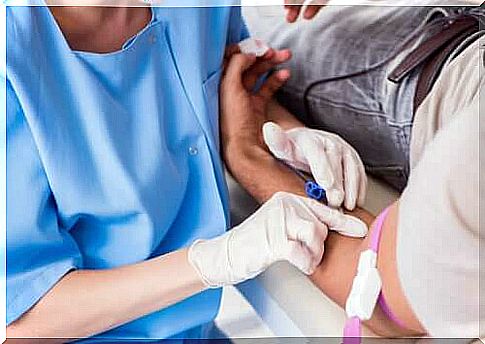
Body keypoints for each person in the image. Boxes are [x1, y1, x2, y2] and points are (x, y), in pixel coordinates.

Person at [5, 1, 366, 341]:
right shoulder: (13, 59)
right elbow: (19, 321)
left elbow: (235, 90)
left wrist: (292, 136)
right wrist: (213, 261)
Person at [221, 2, 483, 339]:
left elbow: (381, 292)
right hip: (455, 49)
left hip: (438, 67)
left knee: (249, 44)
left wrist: (247, 155)